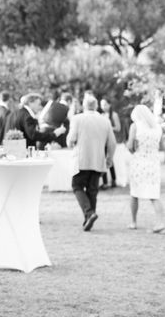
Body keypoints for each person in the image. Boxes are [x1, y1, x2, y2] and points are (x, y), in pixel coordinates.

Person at [66, 95, 117, 231]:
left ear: (84, 105)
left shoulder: (77, 119)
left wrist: (70, 143)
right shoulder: (105, 121)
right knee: (92, 190)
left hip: (81, 159)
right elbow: (112, 143)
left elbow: (71, 139)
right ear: (96, 106)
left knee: (77, 186)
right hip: (97, 160)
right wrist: (109, 158)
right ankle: (89, 217)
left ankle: (89, 214)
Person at [127, 105, 165, 233]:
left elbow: (130, 146)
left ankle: (133, 221)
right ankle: (160, 222)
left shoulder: (135, 126)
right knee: (154, 195)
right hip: (153, 163)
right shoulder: (158, 128)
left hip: (138, 162)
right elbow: (162, 146)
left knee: (134, 193)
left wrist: (133, 148)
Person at [100, 98, 122, 189]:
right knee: (103, 160)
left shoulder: (114, 115)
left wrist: (108, 128)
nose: (103, 106)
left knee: (110, 160)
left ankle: (113, 180)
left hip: (110, 140)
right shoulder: (101, 115)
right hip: (102, 140)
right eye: (102, 105)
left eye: (105, 104)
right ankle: (105, 182)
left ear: (109, 105)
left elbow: (118, 128)